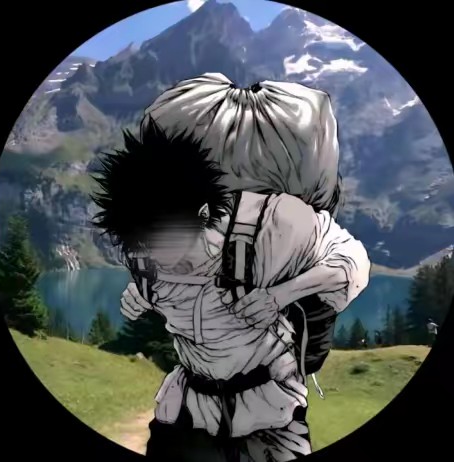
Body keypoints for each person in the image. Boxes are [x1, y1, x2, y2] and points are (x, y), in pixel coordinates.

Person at [91, 74, 371, 462]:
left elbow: (353, 264)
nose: (157, 257)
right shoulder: (143, 251)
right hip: (187, 414)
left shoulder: (271, 226)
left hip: (270, 419)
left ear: (203, 214)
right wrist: (141, 294)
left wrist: (279, 295)